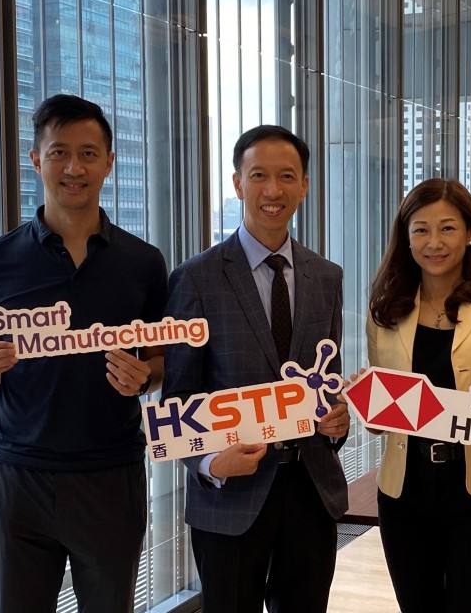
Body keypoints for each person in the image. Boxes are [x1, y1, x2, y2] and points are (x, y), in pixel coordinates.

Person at [0, 94, 167, 612]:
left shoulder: (142, 262)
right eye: (59, 152)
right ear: (37, 159)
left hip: (110, 473)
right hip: (18, 475)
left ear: (109, 164)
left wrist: (144, 377)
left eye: (89, 154)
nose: (74, 167)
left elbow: (162, 362)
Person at [161, 124, 350, 613]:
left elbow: (326, 382)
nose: (273, 190)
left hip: (311, 489)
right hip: (230, 494)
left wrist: (335, 422)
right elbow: (177, 400)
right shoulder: (195, 279)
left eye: (287, 176)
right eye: (259, 175)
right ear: (237, 183)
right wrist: (207, 463)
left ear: (304, 185)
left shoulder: (326, 277)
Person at [364, 178, 471, 613]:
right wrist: (368, 405)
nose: (433, 242)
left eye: (447, 228)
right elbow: (381, 410)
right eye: (420, 229)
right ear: (406, 236)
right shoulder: (385, 309)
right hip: (404, 492)